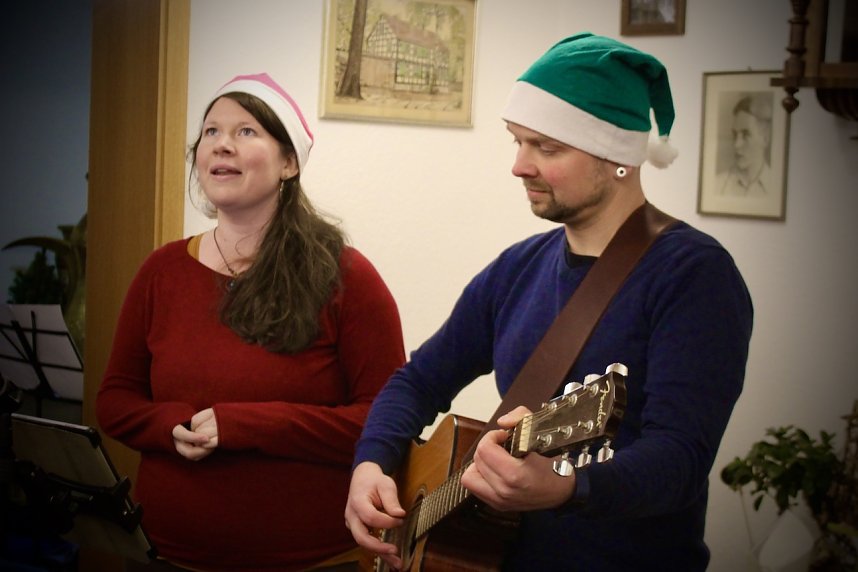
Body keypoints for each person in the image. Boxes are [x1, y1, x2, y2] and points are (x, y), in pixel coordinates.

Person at [344, 33, 753, 571]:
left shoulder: (694, 275)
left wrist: (567, 486)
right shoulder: (518, 268)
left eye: (547, 147)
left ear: (618, 158)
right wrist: (372, 461)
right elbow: (418, 379)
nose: (519, 165)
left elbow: (680, 459)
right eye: (517, 141)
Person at [96, 73, 406, 571]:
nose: (222, 145)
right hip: (166, 555)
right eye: (211, 132)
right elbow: (114, 400)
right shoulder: (161, 270)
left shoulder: (346, 276)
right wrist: (169, 425)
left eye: (245, 132)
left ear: (288, 162)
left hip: (313, 560)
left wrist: (245, 425)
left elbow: (387, 417)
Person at [716, 92, 774, 197]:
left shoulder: (774, 188)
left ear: (765, 138)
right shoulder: (717, 185)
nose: (736, 144)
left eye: (746, 135)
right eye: (735, 135)